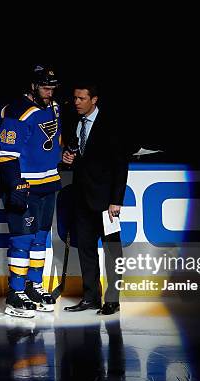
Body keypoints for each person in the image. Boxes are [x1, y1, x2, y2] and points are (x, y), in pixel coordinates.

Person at [0, 64, 63, 318]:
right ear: (33, 86)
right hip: (26, 187)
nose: (50, 92)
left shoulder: (54, 107)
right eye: (45, 87)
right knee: (22, 240)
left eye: (53, 88)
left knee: (40, 238)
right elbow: (4, 153)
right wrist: (16, 183)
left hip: (49, 183)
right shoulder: (17, 112)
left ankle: (34, 286)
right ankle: (15, 293)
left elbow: (51, 142)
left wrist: (62, 156)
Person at [62, 83, 129, 315]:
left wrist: (116, 200)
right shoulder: (75, 122)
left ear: (94, 100)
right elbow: (75, 154)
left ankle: (113, 299)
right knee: (86, 250)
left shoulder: (110, 126)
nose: (77, 102)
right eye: (75, 98)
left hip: (106, 202)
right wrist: (68, 158)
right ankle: (91, 297)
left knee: (112, 251)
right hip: (81, 198)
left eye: (81, 98)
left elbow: (120, 165)